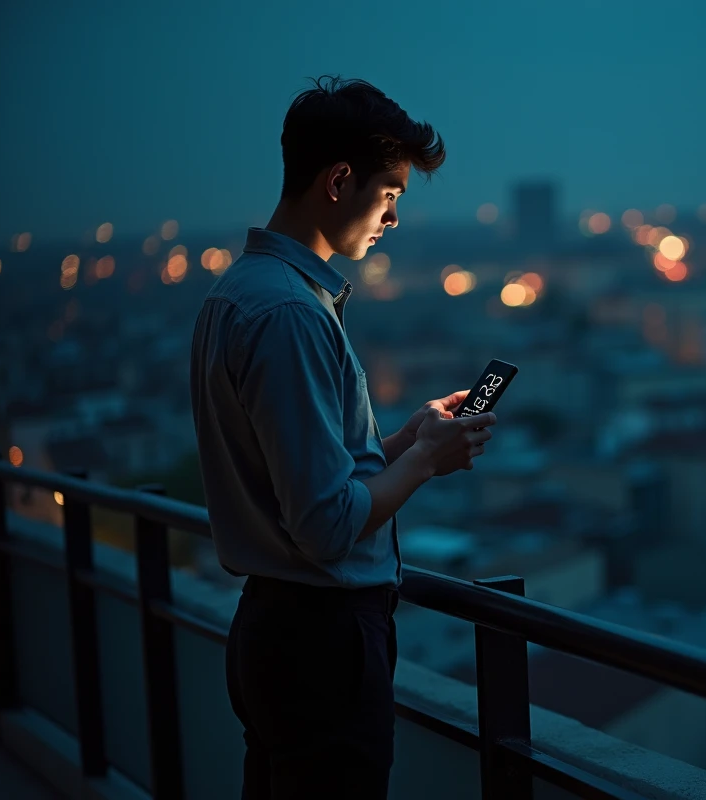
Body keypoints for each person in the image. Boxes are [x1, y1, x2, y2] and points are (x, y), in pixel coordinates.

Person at [189, 75, 496, 799]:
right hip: (321, 642)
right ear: (338, 181)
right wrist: (424, 461)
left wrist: (401, 441)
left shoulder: (236, 294)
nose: (391, 219)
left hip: (275, 626)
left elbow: (303, 481)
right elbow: (325, 526)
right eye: (388, 195)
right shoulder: (290, 315)